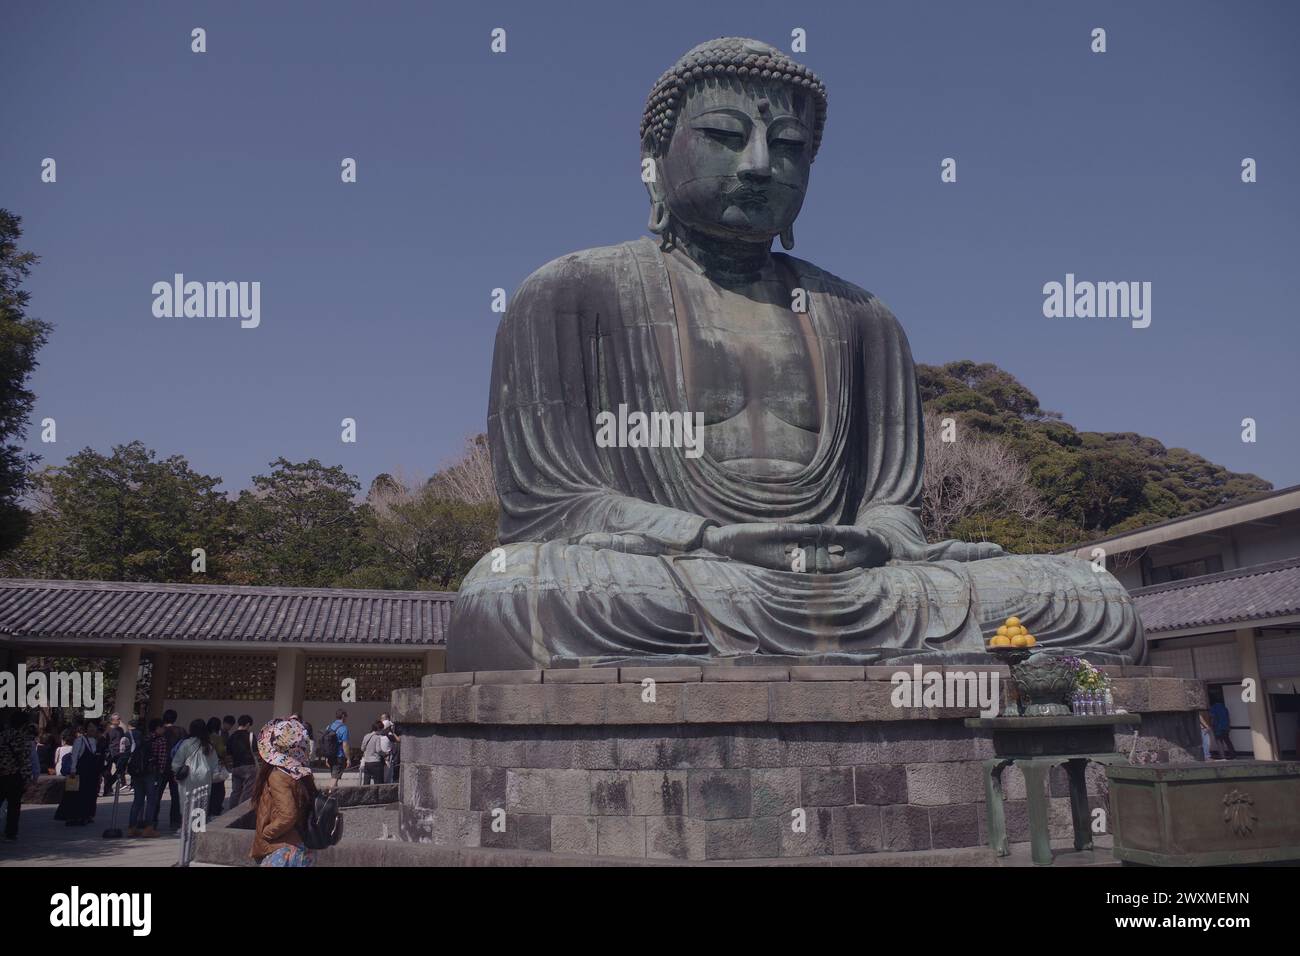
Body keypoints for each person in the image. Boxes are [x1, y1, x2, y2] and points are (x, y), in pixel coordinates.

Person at [250, 717, 319, 867]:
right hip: (303, 847)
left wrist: (267, 833)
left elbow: (288, 815)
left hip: (283, 851)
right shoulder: (302, 774)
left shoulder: (278, 775)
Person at [171, 718, 220, 830]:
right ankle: (198, 826)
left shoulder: (186, 744)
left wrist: (176, 772)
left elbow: (177, 761)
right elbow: (214, 764)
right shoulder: (209, 745)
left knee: (186, 801)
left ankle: (186, 826)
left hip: (188, 776)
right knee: (202, 801)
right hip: (205, 776)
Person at [0, 710, 33, 842]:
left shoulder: (2, 735)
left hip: (2, 774)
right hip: (15, 776)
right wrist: (27, 778)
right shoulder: (21, 738)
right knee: (14, 805)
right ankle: (11, 832)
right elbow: (24, 759)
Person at [137, 719, 170, 837]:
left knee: (138, 801)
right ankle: (149, 827)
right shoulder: (161, 740)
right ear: (157, 728)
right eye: (162, 727)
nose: (164, 729)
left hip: (140, 772)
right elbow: (161, 759)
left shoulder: (145, 738)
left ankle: (133, 826)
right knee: (152, 801)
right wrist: (161, 772)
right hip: (153, 773)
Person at [161, 709, 185, 828]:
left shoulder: (160, 730)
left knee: (156, 795)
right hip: (176, 767)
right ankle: (175, 821)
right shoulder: (180, 731)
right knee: (176, 795)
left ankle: (152, 821)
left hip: (160, 766)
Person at [226, 715, 257, 807]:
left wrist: (230, 766)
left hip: (236, 767)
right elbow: (256, 752)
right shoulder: (251, 736)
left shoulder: (231, 737)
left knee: (235, 791)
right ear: (248, 724)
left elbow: (228, 753)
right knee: (248, 791)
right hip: (249, 767)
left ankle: (231, 812)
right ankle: (243, 811)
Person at [206, 717, 229, 817]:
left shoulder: (204, 737)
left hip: (204, 767)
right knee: (218, 791)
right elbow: (221, 752)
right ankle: (214, 811)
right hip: (216, 767)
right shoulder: (217, 738)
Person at [323, 710, 349, 786]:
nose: (347, 718)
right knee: (334, 778)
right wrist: (348, 758)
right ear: (343, 716)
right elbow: (345, 745)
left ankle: (333, 796)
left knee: (334, 776)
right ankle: (327, 794)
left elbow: (327, 743)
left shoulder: (329, 726)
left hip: (330, 756)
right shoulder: (344, 728)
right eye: (346, 716)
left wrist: (326, 758)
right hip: (339, 756)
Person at [102, 713, 126, 796]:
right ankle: (107, 790)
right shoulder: (108, 730)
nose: (119, 720)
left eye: (120, 718)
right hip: (109, 753)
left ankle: (109, 784)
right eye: (118, 719)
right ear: (112, 720)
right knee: (107, 772)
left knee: (121, 769)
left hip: (118, 752)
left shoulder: (120, 730)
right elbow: (104, 740)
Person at [359, 721, 387, 786]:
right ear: (379, 729)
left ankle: (365, 795)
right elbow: (378, 750)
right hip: (376, 762)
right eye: (382, 729)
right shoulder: (377, 737)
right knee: (378, 783)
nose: (382, 731)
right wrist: (385, 753)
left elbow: (362, 748)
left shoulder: (366, 736)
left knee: (366, 783)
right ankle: (377, 796)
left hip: (367, 762)